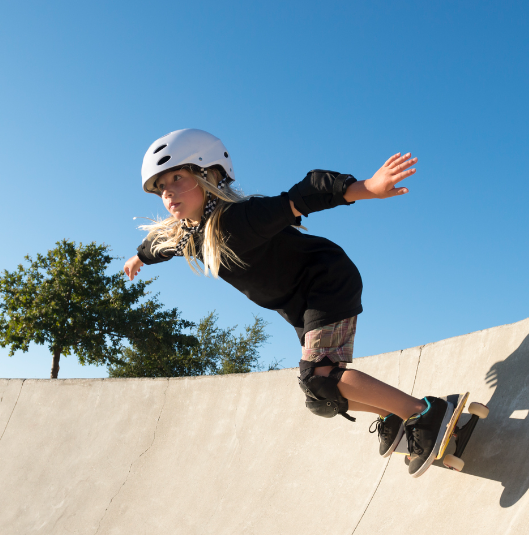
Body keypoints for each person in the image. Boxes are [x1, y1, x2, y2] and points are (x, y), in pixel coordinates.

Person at [122, 129, 451, 476]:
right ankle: (393, 414)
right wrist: (137, 258)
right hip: (301, 306)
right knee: (319, 399)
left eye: (177, 177)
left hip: (326, 281)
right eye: (161, 187)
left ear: (208, 175)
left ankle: (423, 412)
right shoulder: (189, 236)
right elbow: (158, 245)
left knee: (321, 377)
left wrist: (367, 188)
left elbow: (302, 195)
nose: (168, 191)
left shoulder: (240, 218)